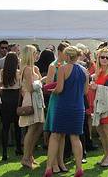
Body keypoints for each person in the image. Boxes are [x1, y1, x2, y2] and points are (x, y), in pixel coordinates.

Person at [43, 46, 88, 177]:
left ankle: (49, 168)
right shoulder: (84, 70)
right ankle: (79, 168)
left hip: (63, 106)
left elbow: (60, 89)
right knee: (75, 137)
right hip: (78, 107)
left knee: (55, 135)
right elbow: (85, 92)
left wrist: (52, 90)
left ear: (68, 56)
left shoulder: (62, 68)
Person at [90, 46, 108, 168]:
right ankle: (106, 154)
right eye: (102, 57)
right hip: (98, 103)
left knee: (106, 129)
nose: (105, 59)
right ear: (98, 58)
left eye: (107, 57)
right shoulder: (98, 72)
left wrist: (99, 88)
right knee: (100, 129)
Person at [19, 45, 45, 170]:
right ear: (30, 54)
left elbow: (38, 83)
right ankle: (25, 157)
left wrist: (40, 80)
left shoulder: (35, 68)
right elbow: (30, 87)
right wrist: (41, 82)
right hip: (31, 100)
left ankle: (30, 155)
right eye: (35, 53)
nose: (37, 55)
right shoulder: (27, 69)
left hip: (38, 99)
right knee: (32, 128)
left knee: (39, 126)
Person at [43, 42, 66, 173]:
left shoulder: (68, 66)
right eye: (65, 52)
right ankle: (54, 163)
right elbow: (48, 86)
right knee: (55, 133)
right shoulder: (53, 66)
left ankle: (61, 161)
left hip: (65, 101)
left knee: (63, 134)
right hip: (56, 100)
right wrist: (62, 82)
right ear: (59, 52)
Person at [0, 52, 23, 160]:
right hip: (15, 98)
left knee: (5, 127)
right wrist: (19, 103)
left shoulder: (2, 72)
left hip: (5, 98)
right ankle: (18, 148)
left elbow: (0, 86)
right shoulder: (18, 73)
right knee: (17, 126)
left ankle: (4, 152)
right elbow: (20, 89)